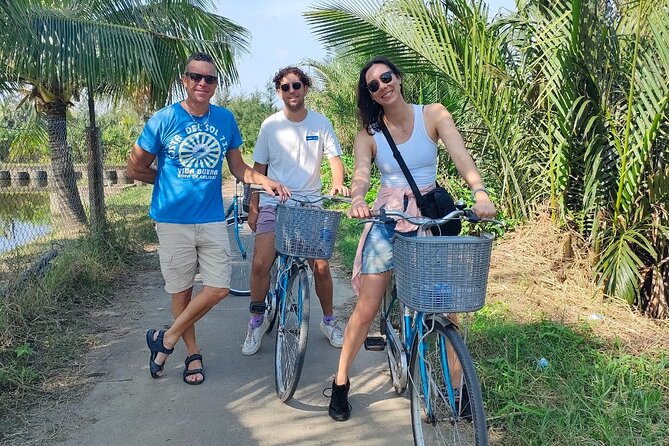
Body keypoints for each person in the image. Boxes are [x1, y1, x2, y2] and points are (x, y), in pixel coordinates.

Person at [326, 57, 496, 421]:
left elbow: (460, 154)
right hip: (388, 218)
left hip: (429, 216)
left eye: (386, 77)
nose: (382, 86)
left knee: (446, 306)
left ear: (398, 78)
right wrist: (358, 199)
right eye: (373, 85)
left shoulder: (432, 114)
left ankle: (459, 391)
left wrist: (479, 192)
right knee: (368, 307)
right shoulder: (368, 135)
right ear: (370, 95)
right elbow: (361, 175)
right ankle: (340, 381)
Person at [127, 52, 290, 385]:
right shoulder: (163, 119)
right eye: (195, 77)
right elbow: (135, 168)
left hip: (212, 217)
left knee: (217, 288)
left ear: (216, 84)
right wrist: (165, 180)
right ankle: (191, 354)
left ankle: (166, 338)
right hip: (172, 220)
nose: (202, 83)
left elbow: (239, 168)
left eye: (209, 79)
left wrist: (265, 181)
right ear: (184, 80)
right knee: (182, 290)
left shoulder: (225, 120)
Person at [242, 66, 350, 356]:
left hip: (309, 205)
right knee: (261, 264)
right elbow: (258, 171)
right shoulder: (270, 126)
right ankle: (256, 321)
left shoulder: (320, 123)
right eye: (286, 87)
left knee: (322, 266)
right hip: (273, 204)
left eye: (297, 85)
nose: (292, 91)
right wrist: (253, 207)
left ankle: (328, 321)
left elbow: (334, 159)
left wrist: (338, 182)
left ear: (305, 88)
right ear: (279, 91)